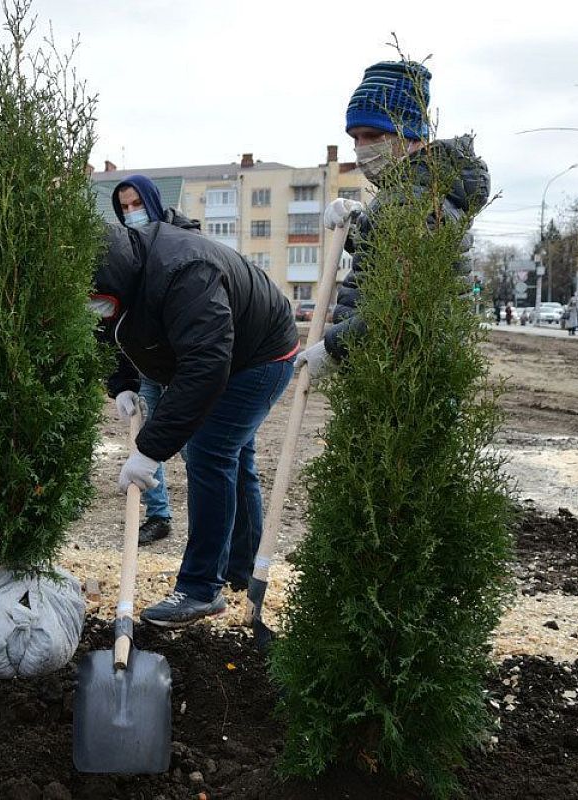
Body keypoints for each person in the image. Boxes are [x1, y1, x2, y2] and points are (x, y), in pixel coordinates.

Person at [96, 222, 298, 627]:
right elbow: (109, 330)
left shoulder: (185, 274)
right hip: (230, 350)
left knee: (210, 452)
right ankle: (241, 573)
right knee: (235, 460)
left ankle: (201, 588)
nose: (97, 307)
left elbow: (205, 368)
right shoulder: (119, 276)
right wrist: (122, 384)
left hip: (261, 356)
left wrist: (148, 451)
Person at [300, 60, 490, 379]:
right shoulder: (422, 192)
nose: (361, 148)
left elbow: (405, 305)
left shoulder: (414, 202)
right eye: (355, 138)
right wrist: (356, 223)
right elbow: (390, 257)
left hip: (402, 379)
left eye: (372, 134)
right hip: (403, 370)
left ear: (410, 133)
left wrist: (335, 348)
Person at [108, 174, 200, 546]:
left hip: (187, 365)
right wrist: (122, 385)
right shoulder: (127, 252)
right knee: (145, 440)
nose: (132, 214)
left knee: (198, 448)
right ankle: (158, 515)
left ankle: (206, 520)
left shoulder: (186, 241)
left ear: (153, 201)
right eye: (124, 208)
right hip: (148, 365)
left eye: (137, 205)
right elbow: (119, 322)